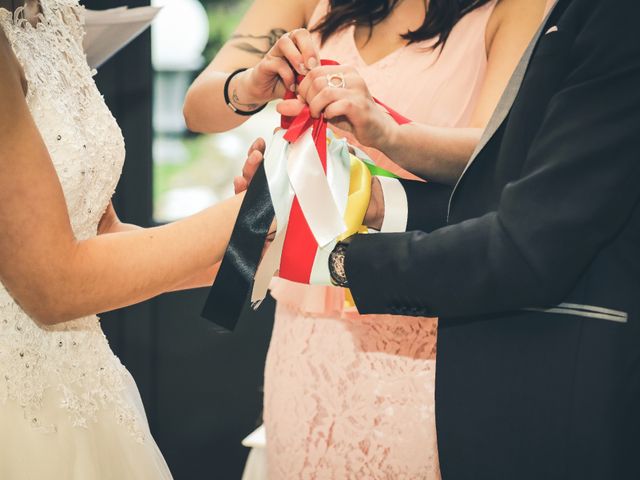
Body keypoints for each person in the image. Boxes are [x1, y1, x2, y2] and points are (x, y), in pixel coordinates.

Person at [276, 0, 640, 477]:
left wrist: (335, 259)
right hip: (480, 375)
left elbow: (528, 246)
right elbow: (512, 189)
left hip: (562, 389)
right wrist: (371, 203)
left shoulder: (616, 16)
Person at [184, 0, 548, 477]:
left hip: (424, 327)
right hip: (308, 327)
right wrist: (252, 84)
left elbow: (495, 152)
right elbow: (197, 107)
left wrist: (384, 130)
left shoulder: (512, 9)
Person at [0, 1, 260, 478]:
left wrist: (252, 247)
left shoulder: (57, 14)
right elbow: (52, 284)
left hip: (86, 383)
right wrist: (253, 210)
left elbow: (103, 235)